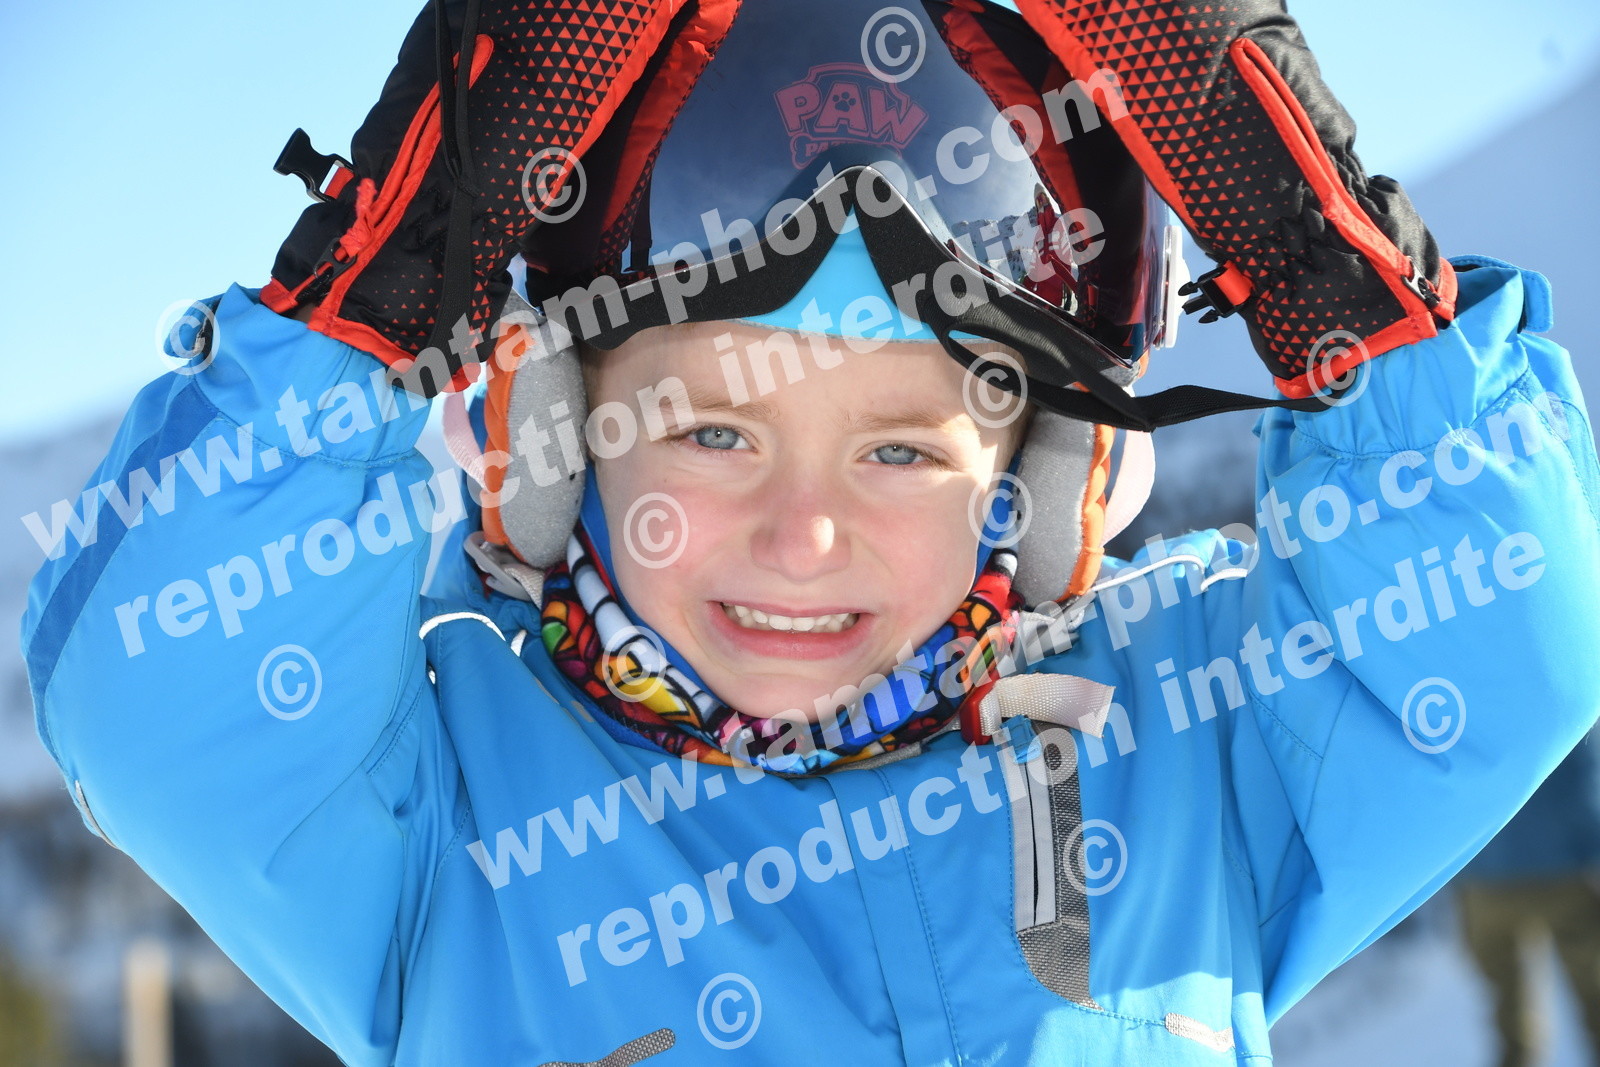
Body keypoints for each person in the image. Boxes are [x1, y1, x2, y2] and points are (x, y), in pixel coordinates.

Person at [20, 0, 1600, 1063]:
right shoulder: (443, 805)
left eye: (904, 450)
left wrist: (1349, 301)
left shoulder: (1181, 737)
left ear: (1046, 475)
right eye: (712, 432)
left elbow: (1509, 652)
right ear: (546, 433)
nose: (805, 535)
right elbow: (164, 704)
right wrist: (363, 310)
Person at [1455, 730, 1600, 1067]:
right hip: (1562, 867)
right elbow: (1585, 765)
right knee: (1594, 992)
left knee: (1510, 1015)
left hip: (1483, 872)